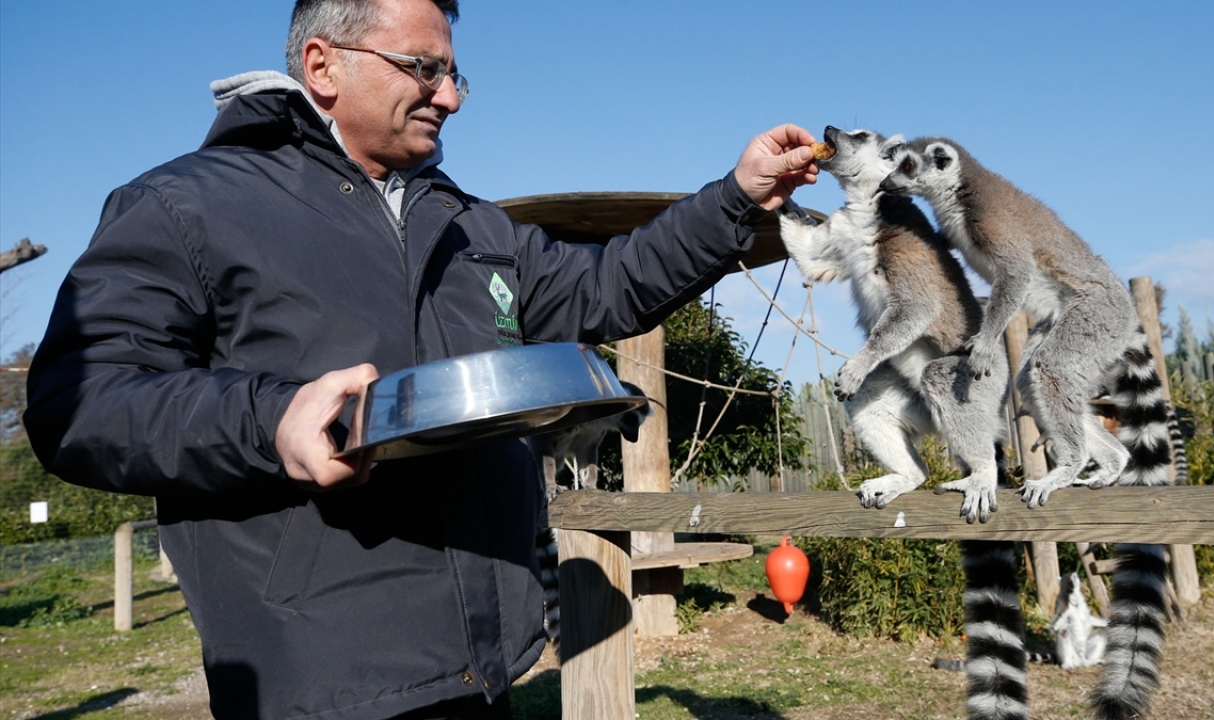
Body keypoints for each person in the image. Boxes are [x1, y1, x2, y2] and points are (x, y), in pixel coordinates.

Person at [23, 0, 820, 718]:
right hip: (322, 684)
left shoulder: (473, 224)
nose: (452, 95)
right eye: (423, 68)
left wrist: (733, 200)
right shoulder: (185, 206)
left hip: (487, 667)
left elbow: (605, 287)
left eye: (454, 71)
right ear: (323, 65)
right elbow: (80, 401)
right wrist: (270, 420)